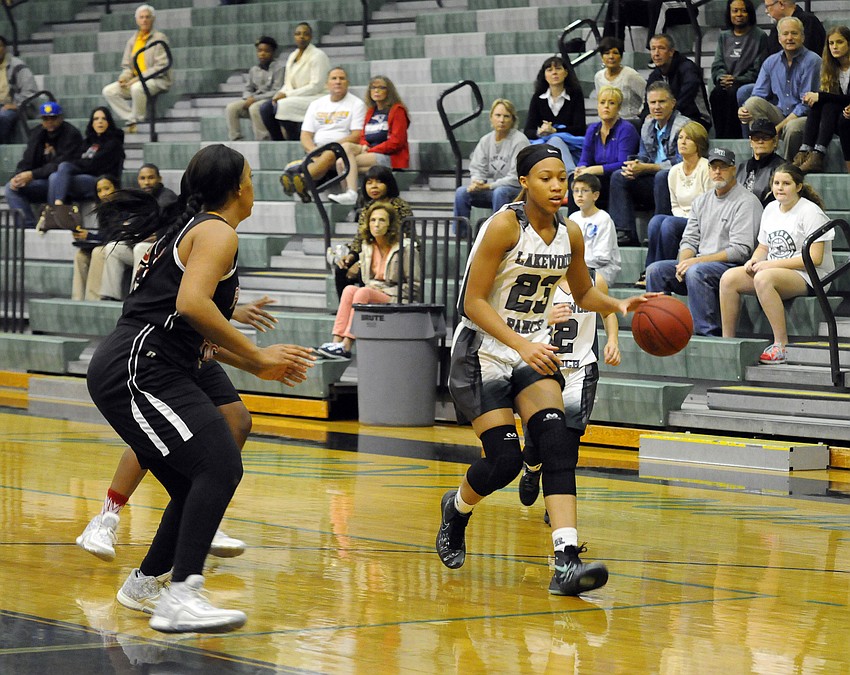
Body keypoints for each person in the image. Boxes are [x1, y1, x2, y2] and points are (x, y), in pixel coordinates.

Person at [86, 144, 314, 633]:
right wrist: (257, 355)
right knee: (218, 462)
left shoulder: (191, 230)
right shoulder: (216, 231)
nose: (254, 185)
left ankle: (146, 584)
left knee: (199, 479)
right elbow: (192, 304)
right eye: (250, 177)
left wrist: (255, 367)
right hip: (140, 367)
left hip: (155, 362)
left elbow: (187, 322)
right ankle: (181, 594)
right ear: (236, 188)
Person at [435, 144, 647, 596]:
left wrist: (618, 304)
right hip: (483, 352)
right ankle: (456, 508)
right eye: (546, 177)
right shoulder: (502, 228)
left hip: (530, 351)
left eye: (562, 177)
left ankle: (566, 560)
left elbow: (583, 293)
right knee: (506, 461)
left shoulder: (570, 232)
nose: (557, 186)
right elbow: (469, 303)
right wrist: (522, 344)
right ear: (525, 182)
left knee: (555, 443)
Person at [76, 297, 280, 562]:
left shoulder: (221, 261)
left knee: (237, 419)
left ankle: (203, 512)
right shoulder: (178, 258)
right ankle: (106, 518)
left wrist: (230, 312)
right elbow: (185, 301)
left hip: (195, 348)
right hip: (160, 350)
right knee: (154, 439)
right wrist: (256, 359)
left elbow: (202, 298)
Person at [517, 269, 622, 516]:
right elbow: (516, 322)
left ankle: (556, 500)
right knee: (536, 441)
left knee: (567, 445)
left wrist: (613, 341)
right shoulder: (539, 282)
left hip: (581, 371)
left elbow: (608, 313)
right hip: (543, 368)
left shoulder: (595, 280)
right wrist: (544, 318)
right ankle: (532, 468)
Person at [720, 163, 832, 364]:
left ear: (798, 187)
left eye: (786, 183)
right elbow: (763, 247)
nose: (780, 188)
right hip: (776, 271)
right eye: (776, 183)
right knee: (729, 278)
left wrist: (769, 266)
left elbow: (815, 259)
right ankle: (728, 341)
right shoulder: (771, 208)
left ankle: (781, 345)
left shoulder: (810, 212)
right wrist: (754, 260)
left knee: (763, 278)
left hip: (812, 275)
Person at [646, 147, 763, 336]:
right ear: (708, 170)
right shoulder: (701, 201)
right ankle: (661, 331)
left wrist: (695, 262)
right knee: (656, 271)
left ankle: (707, 334)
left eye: (723, 167)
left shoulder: (746, 202)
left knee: (696, 271)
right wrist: (683, 261)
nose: (717, 172)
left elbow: (741, 251)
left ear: (734, 170)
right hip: (700, 265)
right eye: (713, 167)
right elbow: (689, 239)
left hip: (733, 267)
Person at [317, 201, 419, 360]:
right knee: (349, 290)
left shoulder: (405, 248)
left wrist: (380, 290)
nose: (376, 224)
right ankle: (336, 342)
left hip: (398, 297)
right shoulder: (367, 247)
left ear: (390, 224)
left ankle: (347, 345)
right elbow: (367, 280)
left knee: (363, 292)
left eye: (382, 220)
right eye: (373, 220)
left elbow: (415, 287)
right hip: (375, 292)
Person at [608, 82, 690, 246]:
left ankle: (658, 231)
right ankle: (625, 232)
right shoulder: (647, 126)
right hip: (653, 178)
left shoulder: (684, 125)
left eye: (662, 102)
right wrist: (636, 166)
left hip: (678, 181)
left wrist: (647, 167)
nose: (657, 106)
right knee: (619, 176)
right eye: (653, 103)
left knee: (662, 176)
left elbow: (681, 162)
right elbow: (644, 155)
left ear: (672, 103)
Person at [639, 121, 712, 286]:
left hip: (701, 221)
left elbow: (710, 205)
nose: (682, 142)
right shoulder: (674, 171)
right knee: (656, 221)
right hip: (681, 217)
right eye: (680, 138)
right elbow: (675, 205)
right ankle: (650, 271)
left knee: (669, 224)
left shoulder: (706, 168)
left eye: (688, 139)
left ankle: (664, 271)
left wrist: (687, 219)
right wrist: (682, 217)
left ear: (699, 143)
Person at [738, 16, 821, 160]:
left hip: (807, 117)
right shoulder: (771, 62)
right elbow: (758, 94)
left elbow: (806, 105)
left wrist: (778, 128)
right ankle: (761, 160)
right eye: (785, 34)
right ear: (779, 38)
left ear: (802, 37)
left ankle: (788, 167)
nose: (789, 38)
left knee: (792, 127)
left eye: (794, 33)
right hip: (780, 113)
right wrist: (743, 110)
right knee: (752, 103)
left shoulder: (813, 61)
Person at [279, 67, 366, 203]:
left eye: (342, 78)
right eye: (334, 78)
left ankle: (301, 180)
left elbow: (356, 135)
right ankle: (302, 183)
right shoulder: (316, 104)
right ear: (327, 84)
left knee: (329, 154)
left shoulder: (357, 104)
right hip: (316, 150)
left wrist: (327, 148)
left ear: (347, 83)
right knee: (322, 156)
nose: (338, 82)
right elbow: (305, 135)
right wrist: (314, 150)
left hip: (340, 149)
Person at [330, 165, 413, 299]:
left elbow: (403, 237)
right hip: (368, 248)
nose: (374, 186)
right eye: (369, 182)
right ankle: (345, 307)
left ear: (389, 184)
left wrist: (361, 263)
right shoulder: (367, 207)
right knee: (341, 268)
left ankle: (367, 303)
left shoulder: (400, 206)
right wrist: (351, 256)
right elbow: (360, 237)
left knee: (365, 270)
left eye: (379, 182)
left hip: (394, 252)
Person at [98, 164, 178, 301]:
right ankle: (110, 297)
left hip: (164, 249)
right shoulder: (140, 198)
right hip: (142, 246)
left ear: (159, 178)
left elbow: (172, 225)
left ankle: (135, 297)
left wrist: (156, 234)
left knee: (140, 248)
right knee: (113, 248)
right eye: (143, 178)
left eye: (151, 178)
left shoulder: (167, 197)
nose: (146, 182)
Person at [329, 75, 410, 205]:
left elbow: (397, 142)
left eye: (381, 88)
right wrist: (365, 146)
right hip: (370, 152)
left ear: (389, 91)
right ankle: (350, 195)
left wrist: (371, 149)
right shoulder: (371, 111)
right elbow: (363, 136)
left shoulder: (397, 110)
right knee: (342, 157)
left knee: (343, 163)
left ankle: (352, 195)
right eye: (373, 88)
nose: (376, 91)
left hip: (389, 157)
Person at [4, 101, 83, 229]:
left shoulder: (71, 134)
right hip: (41, 182)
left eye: (53, 118)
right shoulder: (38, 133)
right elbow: (27, 160)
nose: (49, 121)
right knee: (10, 188)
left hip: (65, 182)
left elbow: (62, 164)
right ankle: (28, 227)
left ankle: (54, 220)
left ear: (60, 118)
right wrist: (18, 176)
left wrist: (32, 174)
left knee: (55, 177)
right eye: (45, 118)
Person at [453, 99, 528, 229]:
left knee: (500, 192)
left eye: (506, 116)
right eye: (498, 115)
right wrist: (477, 182)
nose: (502, 120)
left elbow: (516, 178)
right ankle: (462, 236)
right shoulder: (485, 140)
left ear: (513, 120)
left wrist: (489, 186)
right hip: (493, 189)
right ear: (491, 118)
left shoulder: (520, 141)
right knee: (461, 192)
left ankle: (497, 232)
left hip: (516, 190)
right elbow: (477, 167)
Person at [735, 0, 826, 108]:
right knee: (745, 94)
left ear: (781, 4)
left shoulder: (809, 22)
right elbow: (765, 60)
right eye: (785, 34)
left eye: (768, 6)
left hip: (801, 85)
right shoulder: (776, 29)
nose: (766, 11)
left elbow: (807, 59)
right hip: (776, 87)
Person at [101, 4, 172, 133]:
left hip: (157, 80)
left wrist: (138, 79)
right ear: (137, 20)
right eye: (141, 17)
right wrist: (124, 77)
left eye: (147, 17)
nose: (144, 20)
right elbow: (127, 66)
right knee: (109, 91)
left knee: (137, 87)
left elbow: (161, 66)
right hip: (135, 79)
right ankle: (131, 118)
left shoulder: (159, 38)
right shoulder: (133, 40)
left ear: (153, 19)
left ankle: (138, 120)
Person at [573, 86, 640, 211]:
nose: (606, 106)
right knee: (576, 178)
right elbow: (585, 158)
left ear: (619, 108)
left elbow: (623, 164)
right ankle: (573, 224)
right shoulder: (593, 129)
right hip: (599, 178)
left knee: (616, 176)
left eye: (612, 103)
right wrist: (581, 168)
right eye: (602, 102)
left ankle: (621, 229)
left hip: (619, 178)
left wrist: (595, 169)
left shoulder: (626, 129)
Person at [259, 22, 329, 141]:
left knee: (283, 106)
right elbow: (287, 83)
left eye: (305, 34)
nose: (301, 37)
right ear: (294, 37)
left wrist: (287, 95)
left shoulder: (318, 55)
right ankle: (279, 140)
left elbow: (316, 86)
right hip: (295, 96)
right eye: (298, 34)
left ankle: (295, 138)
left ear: (311, 37)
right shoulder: (292, 55)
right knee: (266, 107)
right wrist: (278, 95)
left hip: (315, 96)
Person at [794, 26, 850, 174]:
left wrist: (820, 95)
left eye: (840, 42)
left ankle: (818, 154)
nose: (835, 47)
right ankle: (805, 151)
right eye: (831, 43)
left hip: (846, 118)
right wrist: (818, 97)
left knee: (827, 103)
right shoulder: (831, 68)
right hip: (838, 117)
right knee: (821, 104)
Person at [709, 0, 769, 139]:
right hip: (726, 82)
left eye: (743, 10)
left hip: (746, 82)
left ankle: (734, 139)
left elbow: (759, 68)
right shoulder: (724, 36)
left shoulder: (760, 36)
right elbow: (717, 64)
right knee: (716, 93)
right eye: (735, 11)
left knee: (733, 94)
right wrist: (721, 77)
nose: (739, 14)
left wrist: (737, 79)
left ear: (749, 13)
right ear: (729, 13)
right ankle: (720, 139)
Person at [47, 106, 125, 206]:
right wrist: (82, 162)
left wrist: (81, 163)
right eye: (96, 119)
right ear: (92, 123)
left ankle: (55, 209)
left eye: (103, 119)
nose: (100, 122)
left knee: (62, 170)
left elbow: (94, 165)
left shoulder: (113, 143)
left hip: (102, 181)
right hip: (85, 175)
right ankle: (57, 207)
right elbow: (77, 158)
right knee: (53, 176)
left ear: (109, 122)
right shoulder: (88, 141)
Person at [523, 55, 586, 170]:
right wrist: (540, 132)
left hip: (571, 145)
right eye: (550, 70)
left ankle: (570, 173)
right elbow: (528, 131)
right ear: (545, 75)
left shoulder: (576, 95)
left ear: (566, 73)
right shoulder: (537, 98)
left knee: (555, 139)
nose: (554, 73)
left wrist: (555, 131)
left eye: (558, 69)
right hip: (544, 144)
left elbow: (580, 128)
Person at [641, 34, 712, 132]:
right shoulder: (654, 76)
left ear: (671, 52)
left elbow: (685, 101)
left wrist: (666, 114)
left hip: (696, 119)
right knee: (643, 125)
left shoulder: (688, 69)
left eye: (661, 48)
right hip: (665, 119)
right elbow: (647, 104)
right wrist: (646, 116)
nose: (656, 53)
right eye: (653, 49)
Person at [225, 36, 285, 142]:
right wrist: (247, 97)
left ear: (273, 52)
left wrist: (255, 99)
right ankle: (235, 139)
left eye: (266, 51)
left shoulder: (279, 68)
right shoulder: (254, 69)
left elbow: (277, 90)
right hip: (253, 99)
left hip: (269, 102)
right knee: (231, 108)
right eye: (260, 51)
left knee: (255, 107)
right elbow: (248, 88)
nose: (262, 54)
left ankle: (263, 139)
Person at [568, 173, 621, 286]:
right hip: (579, 267)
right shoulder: (573, 218)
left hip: (602, 270)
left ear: (595, 195)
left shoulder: (603, 218)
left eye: (584, 191)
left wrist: (574, 264)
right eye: (576, 191)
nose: (579, 195)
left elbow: (602, 258)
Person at [72, 175, 119, 301]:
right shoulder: (103, 208)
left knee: (98, 252)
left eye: (107, 189)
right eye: (99, 191)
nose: (103, 194)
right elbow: (105, 234)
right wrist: (86, 238)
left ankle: (93, 299)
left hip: (121, 246)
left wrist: (90, 236)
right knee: (80, 255)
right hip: (107, 243)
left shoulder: (124, 206)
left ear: (116, 188)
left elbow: (116, 234)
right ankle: (77, 299)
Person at [593, 38, 646, 124]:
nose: (611, 57)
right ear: (601, 57)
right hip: (608, 122)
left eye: (615, 53)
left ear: (621, 57)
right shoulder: (598, 77)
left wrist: (641, 115)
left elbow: (647, 96)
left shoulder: (630, 75)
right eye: (607, 53)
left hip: (631, 122)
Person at [0, 34, 38, 144]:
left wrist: (16, 105)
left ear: (5, 48)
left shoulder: (17, 66)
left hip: (14, 106)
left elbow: (30, 91)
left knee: (2, 117)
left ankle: (3, 148)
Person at [737, 117, 785, 204]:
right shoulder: (741, 166)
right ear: (751, 142)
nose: (760, 141)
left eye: (765, 137)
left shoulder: (782, 168)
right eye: (756, 138)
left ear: (774, 141)